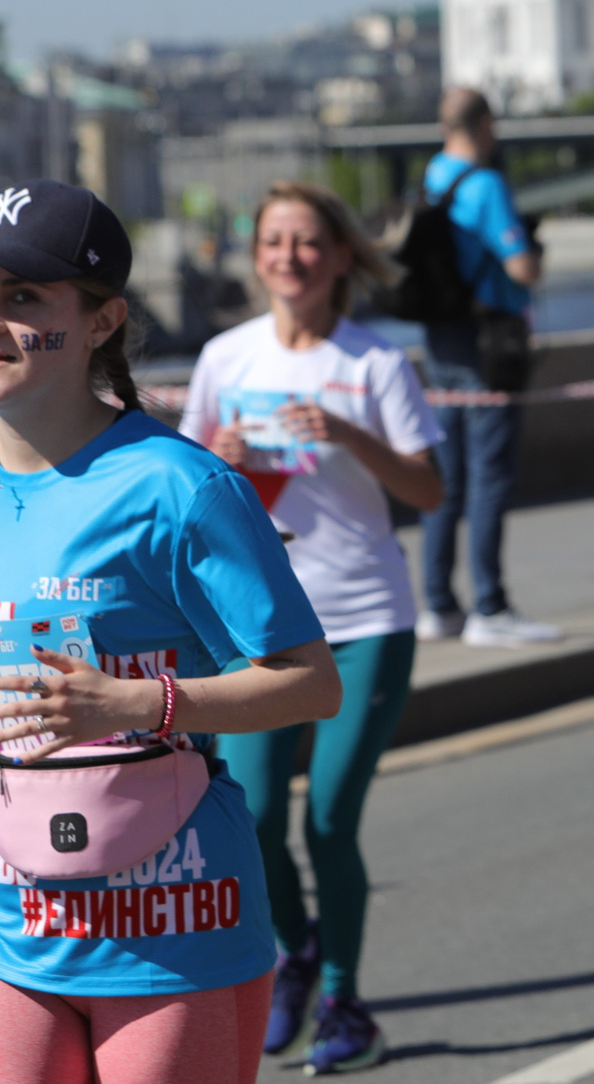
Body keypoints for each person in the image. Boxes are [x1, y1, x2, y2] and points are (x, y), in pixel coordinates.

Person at [0, 179, 343, 1082]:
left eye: (24, 296)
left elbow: (311, 681)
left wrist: (137, 702)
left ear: (103, 321)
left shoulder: (180, 485)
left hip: (173, 914)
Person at [183, 181, 445, 1072]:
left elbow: (429, 489)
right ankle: (294, 950)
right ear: (256, 256)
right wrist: (216, 462)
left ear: (339, 258)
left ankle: (344, 998)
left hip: (364, 616)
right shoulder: (226, 355)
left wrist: (345, 432)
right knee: (252, 815)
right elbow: (187, 492)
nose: (289, 257)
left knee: (330, 821)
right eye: (273, 241)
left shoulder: (374, 364)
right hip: (257, 630)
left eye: (307, 242)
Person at [418, 87, 557, 648]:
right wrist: (535, 251)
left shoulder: (433, 176)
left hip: (441, 341)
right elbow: (522, 269)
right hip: (488, 343)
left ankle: (438, 603)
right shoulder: (485, 184)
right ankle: (491, 607)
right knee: (489, 479)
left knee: (444, 480)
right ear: (488, 124)